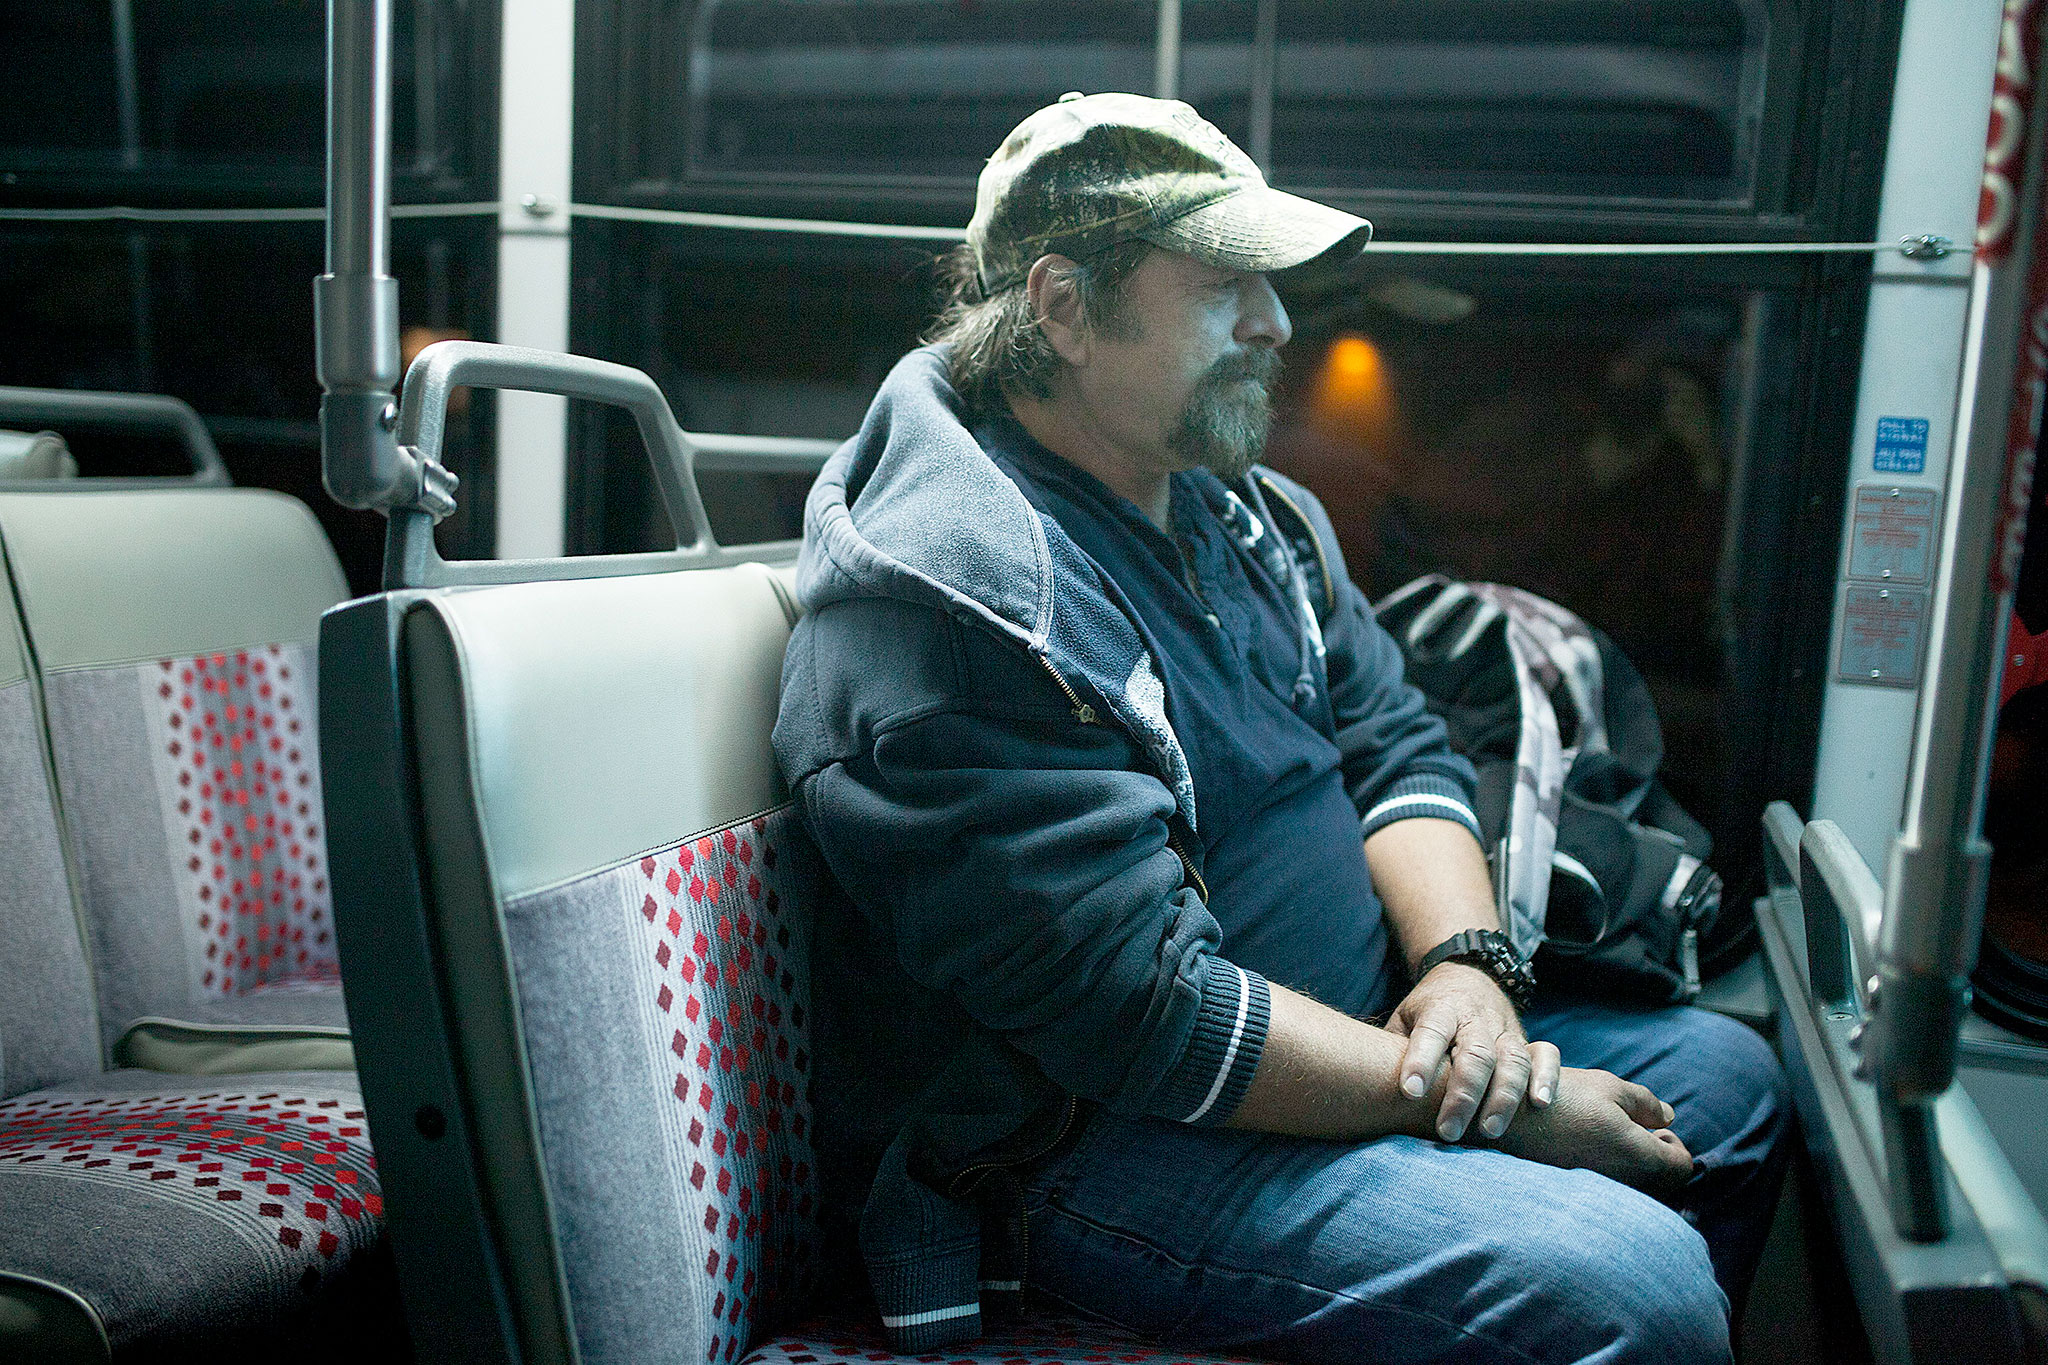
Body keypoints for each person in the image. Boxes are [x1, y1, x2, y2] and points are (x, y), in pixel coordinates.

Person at [771, 92, 1789, 1365]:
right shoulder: (957, 610)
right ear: (1063, 310)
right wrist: (1478, 1106)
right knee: (1633, 1288)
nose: (1277, 323)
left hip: (1360, 1033)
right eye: (1223, 285)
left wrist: (1465, 970)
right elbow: (1140, 1015)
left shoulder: (1244, 517)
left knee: (1729, 1077)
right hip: (1091, 1139)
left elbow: (1395, 744)